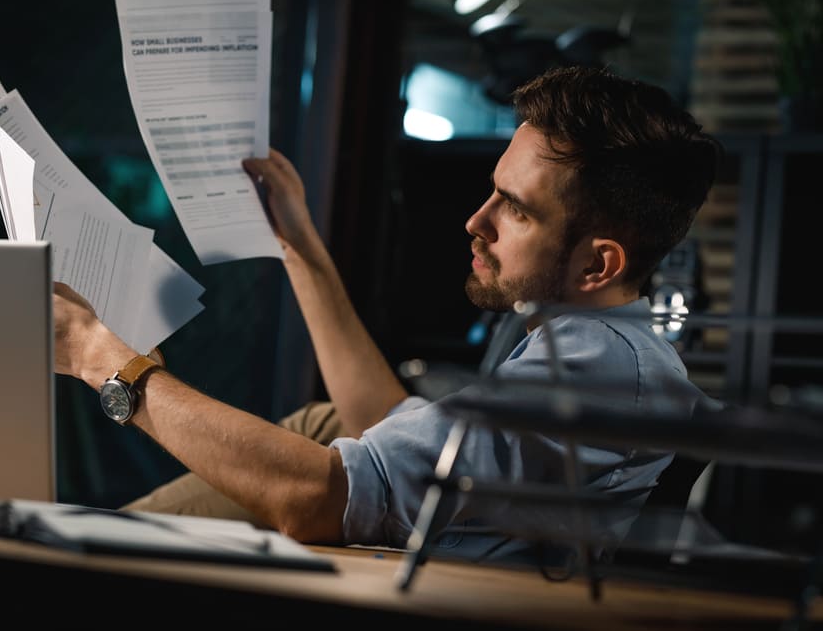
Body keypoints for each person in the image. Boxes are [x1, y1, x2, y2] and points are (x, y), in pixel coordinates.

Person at [53, 65, 722, 563]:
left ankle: (49, 562)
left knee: (312, 443)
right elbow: (384, 424)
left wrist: (110, 364)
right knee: (329, 420)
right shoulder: (593, 341)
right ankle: (56, 556)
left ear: (597, 264)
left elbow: (318, 499)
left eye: (516, 209)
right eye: (492, 191)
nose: (476, 221)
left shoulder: (596, 366)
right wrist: (297, 244)